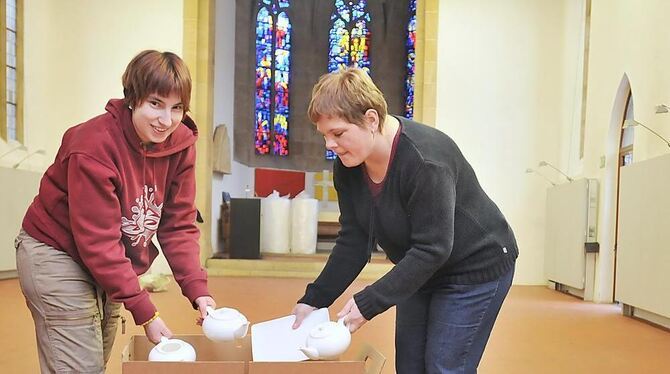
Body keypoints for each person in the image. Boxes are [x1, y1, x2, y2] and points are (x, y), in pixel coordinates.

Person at [291, 67, 518, 373]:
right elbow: (355, 240)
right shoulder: (348, 166)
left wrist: (369, 302)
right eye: (325, 136)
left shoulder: (426, 161)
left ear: (371, 120)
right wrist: (314, 300)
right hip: (421, 267)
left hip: (474, 267)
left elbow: (434, 248)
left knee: (444, 367)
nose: (329, 145)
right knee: (410, 366)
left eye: (338, 133)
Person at [14, 50, 216, 373]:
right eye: (155, 104)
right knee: (80, 368)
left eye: (176, 108)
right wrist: (145, 311)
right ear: (132, 98)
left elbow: (178, 224)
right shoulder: (93, 146)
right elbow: (98, 242)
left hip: (111, 258)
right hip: (56, 251)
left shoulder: (180, 145)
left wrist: (198, 290)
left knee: (95, 361)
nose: (167, 120)